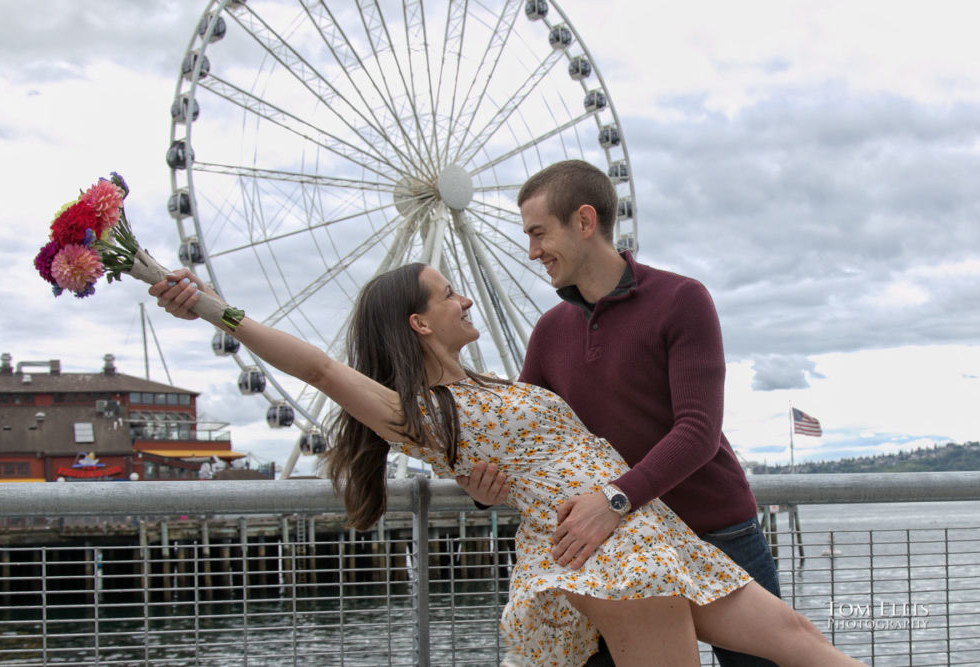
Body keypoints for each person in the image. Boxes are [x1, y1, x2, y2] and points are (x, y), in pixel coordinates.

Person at [149, 265, 863, 667]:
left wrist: (483, 486)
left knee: (802, 640)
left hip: (646, 526)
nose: (464, 295)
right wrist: (210, 306)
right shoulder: (422, 410)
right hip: (599, 548)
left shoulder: (490, 386)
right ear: (420, 323)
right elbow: (319, 365)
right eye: (447, 291)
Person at [460, 159, 781, 667]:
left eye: (539, 233)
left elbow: (698, 431)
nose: (532, 251)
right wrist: (483, 492)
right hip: (620, 547)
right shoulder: (549, 331)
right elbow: (525, 442)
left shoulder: (682, 299)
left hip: (712, 528)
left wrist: (613, 500)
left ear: (584, 222)